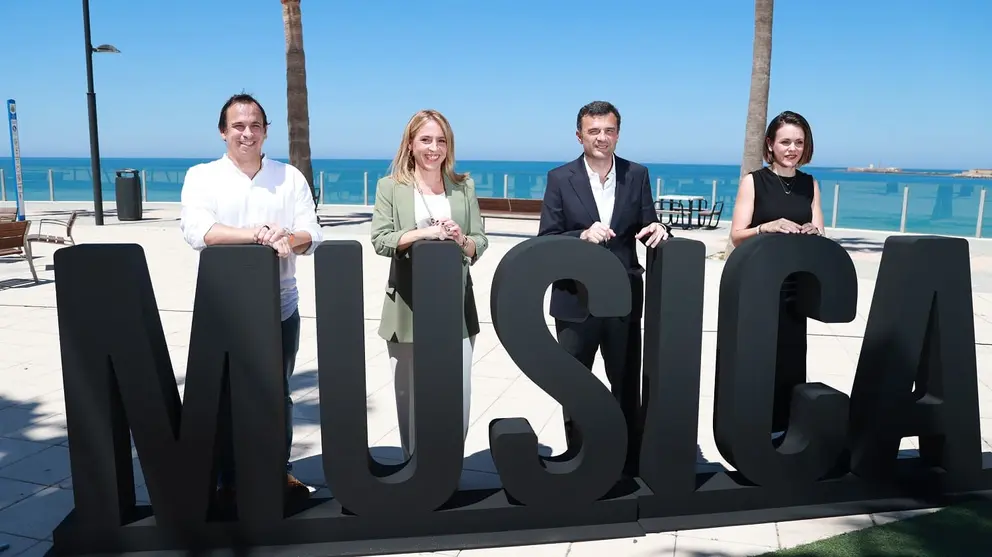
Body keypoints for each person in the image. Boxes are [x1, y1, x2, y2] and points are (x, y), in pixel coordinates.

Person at [179, 93, 323, 500]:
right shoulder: (202, 176)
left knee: (276, 393)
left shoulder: (289, 177)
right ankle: (228, 478)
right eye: (238, 126)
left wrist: (286, 237)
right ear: (223, 132)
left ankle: (279, 471)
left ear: (266, 131)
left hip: (280, 307)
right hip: (222, 310)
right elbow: (198, 232)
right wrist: (258, 235)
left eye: (255, 125)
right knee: (223, 395)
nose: (247, 133)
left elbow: (312, 233)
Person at [537, 100, 670, 476]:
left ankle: (629, 461)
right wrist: (581, 235)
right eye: (594, 131)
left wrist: (660, 228)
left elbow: (649, 223)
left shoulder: (637, 174)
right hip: (575, 300)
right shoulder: (559, 178)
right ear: (579, 136)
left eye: (609, 130)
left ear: (618, 133)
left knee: (626, 382)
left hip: (623, 299)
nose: (602, 138)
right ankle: (580, 458)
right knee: (574, 383)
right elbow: (547, 237)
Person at [370, 109, 488, 459]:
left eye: (441, 140)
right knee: (409, 397)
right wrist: (426, 232)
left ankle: (449, 465)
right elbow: (381, 239)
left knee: (457, 393)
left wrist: (459, 237)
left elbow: (479, 241)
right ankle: (412, 465)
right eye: (425, 140)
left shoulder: (463, 186)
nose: (433, 148)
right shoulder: (390, 187)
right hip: (407, 308)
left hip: (455, 308)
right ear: (410, 144)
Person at [728, 109, 824, 435]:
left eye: (798, 142)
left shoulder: (810, 184)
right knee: (759, 362)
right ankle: (752, 433)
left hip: (796, 289)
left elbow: (820, 234)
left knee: (792, 363)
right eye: (785, 141)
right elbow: (737, 235)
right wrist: (765, 227)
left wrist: (814, 233)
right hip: (759, 287)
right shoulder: (753, 182)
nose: (792, 148)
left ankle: (786, 434)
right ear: (770, 144)